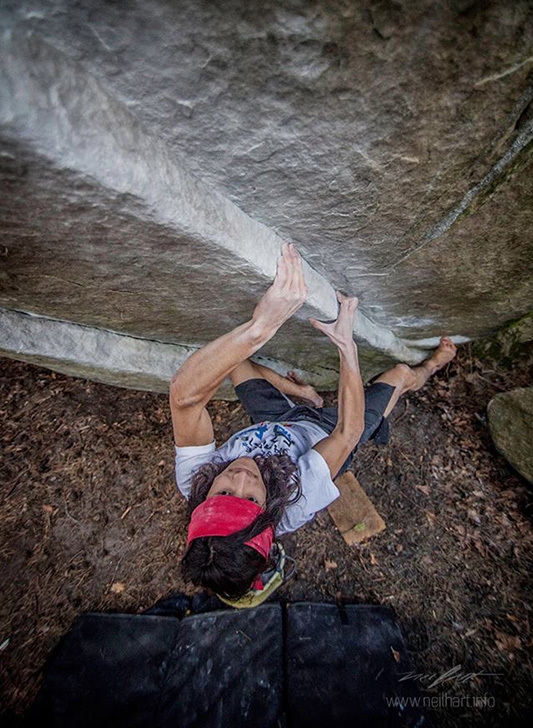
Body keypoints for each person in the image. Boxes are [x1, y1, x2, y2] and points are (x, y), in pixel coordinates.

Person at [170, 243, 456, 600]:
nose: (241, 477)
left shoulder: (194, 479)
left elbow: (184, 398)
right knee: (398, 375)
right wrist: (345, 346)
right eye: (251, 499)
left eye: (224, 491)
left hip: (276, 423)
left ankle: (304, 395)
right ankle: (431, 367)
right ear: (268, 510)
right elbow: (346, 434)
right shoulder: (296, 500)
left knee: (234, 362)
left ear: (203, 500)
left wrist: (261, 327)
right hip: (328, 431)